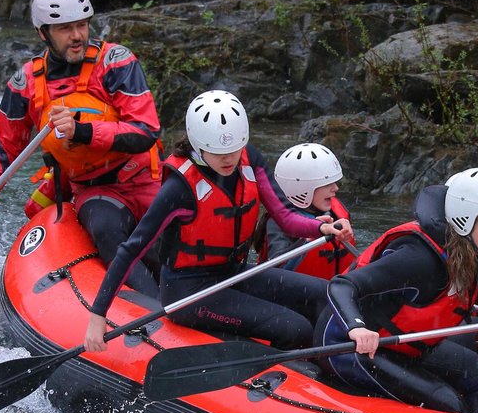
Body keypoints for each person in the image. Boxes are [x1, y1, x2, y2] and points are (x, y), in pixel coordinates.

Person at [84, 90, 354, 352]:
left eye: (234, 149)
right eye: (218, 152)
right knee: (294, 328)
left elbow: (285, 216)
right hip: (189, 292)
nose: (228, 159)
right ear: (198, 146)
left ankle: (337, 366)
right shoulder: (180, 188)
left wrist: (320, 227)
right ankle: (281, 378)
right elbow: (133, 247)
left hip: (232, 273)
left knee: (325, 293)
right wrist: (98, 315)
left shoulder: (250, 160)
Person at [0, 0, 162, 292]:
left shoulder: (116, 63)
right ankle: (155, 311)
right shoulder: (24, 85)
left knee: (176, 248)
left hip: (143, 178)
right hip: (95, 189)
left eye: (81, 25)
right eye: (65, 29)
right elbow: (6, 150)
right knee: (106, 229)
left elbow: (146, 132)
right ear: (43, 33)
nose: (77, 36)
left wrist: (83, 131)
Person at [316, 168, 478, 413]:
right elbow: (342, 285)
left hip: (408, 346)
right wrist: (357, 328)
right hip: (349, 346)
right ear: (467, 217)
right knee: (449, 402)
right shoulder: (418, 258)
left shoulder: (477, 255)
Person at [256, 142, 356, 279]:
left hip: (339, 289)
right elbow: (276, 273)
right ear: (302, 188)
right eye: (327, 184)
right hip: (294, 295)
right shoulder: (277, 223)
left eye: (335, 182)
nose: (335, 188)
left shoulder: (336, 211)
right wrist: (307, 240)